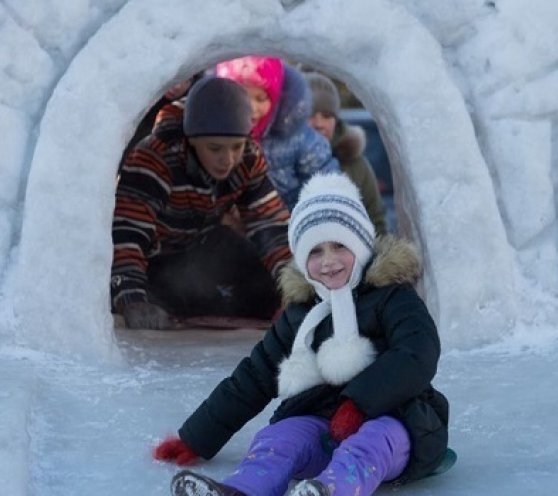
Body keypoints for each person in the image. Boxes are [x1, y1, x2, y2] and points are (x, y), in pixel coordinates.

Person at [153, 172, 450, 496]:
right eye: (314, 251)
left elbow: (417, 353)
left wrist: (359, 404)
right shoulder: (300, 315)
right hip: (319, 420)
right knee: (278, 439)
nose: (328, 262)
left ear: (360, 244)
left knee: (369, 444)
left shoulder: (393, 298)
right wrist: (196, 437)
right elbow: (254, 377)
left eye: (338, 246)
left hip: (399, 419)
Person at [111, 76, 292, 329]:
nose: (227, 160)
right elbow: (128, 234)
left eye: (236, 147)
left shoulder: (248, 158)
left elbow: (270, 224)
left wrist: (296, 289)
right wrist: (131, 298)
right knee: (172, 300)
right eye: (215, 148)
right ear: (191, 139)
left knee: (266, 287)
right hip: (154, 257)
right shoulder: (155, 158)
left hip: (201, 243)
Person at [215, 56, 339, 211]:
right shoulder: (212, 133)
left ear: (276, 99)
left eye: (261, 99)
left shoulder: (300, 139)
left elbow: (327, 190)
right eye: (243, 98)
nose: (252, 109)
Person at [306, 72, 389, 236]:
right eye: (310, 114)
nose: (319, 124)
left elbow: (377, 225)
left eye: (327, 116)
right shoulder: (276, 165)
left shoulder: (356, 166)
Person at [117, 73, 204, 171]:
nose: (177, 86)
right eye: (175, 77)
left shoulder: (193, 114)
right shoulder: (139, 106)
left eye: (187, 80)